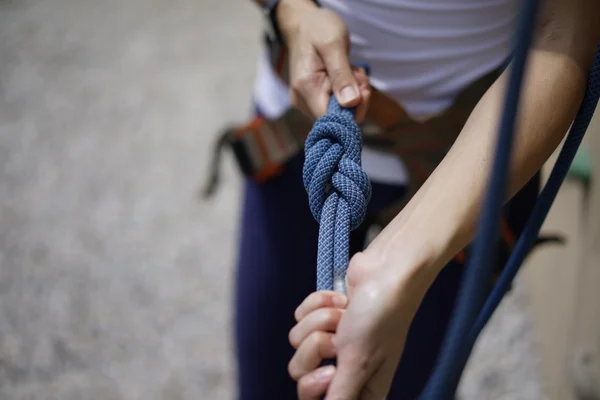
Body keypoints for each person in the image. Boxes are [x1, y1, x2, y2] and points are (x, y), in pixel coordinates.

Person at [227, 0, 600, 398]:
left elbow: (568, 27)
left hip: (469, 175)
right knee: (268, 381)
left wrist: (401, 263)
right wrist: (292, 12)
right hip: (298, 142)